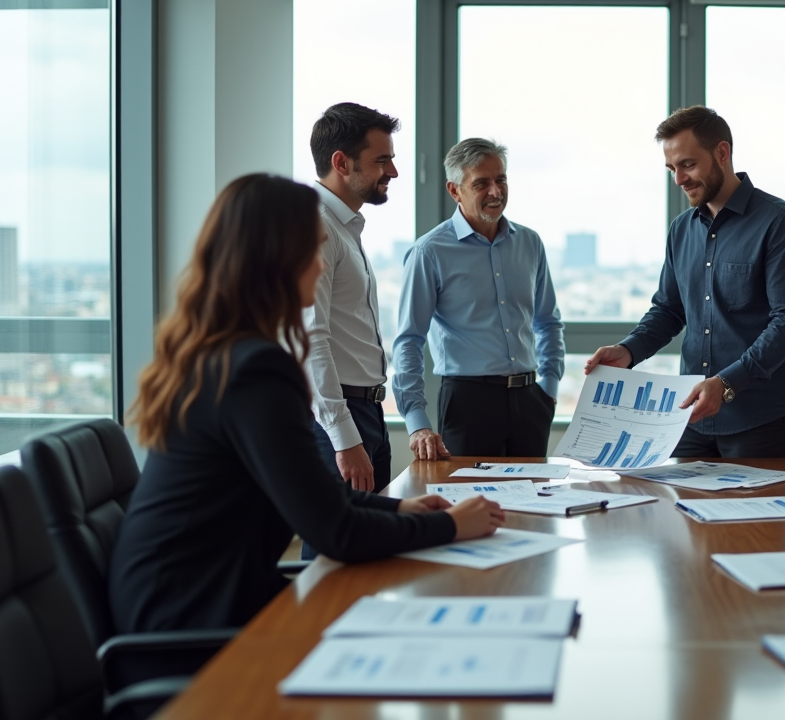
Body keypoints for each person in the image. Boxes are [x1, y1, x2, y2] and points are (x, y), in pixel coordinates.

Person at [110, 174, 503, 632]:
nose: (319, 268)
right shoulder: (255, 371)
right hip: (186, 625)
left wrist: (402, 509)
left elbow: (316, 494)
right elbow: (334, 530)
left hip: (187, 598)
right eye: (311, 252)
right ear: (277, 259)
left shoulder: (222, 354)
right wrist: (452, 527)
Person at [586, 107, 785, 458]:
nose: (678, 179)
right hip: (690, 420)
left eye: (688, 165)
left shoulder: (779, 223)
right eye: (672, 169)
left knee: (756, 516)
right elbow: (668, 310)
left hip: (760, 422)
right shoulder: (681, 229)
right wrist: (629, 350)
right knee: (683, 513)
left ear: (722, 153)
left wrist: (726, 384)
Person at [394, 138, 564, 459]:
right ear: (455, 190)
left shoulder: (529, 243)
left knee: (533, 502)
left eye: (501, 180)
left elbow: (548, 322)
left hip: (531, 401)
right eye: (482, 183)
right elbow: (409, 340)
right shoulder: (429, 252)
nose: (496, 192)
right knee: (470, 503)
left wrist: (549, 388)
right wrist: (416, 422)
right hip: (467, 403)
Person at [302, 103, 399, 559]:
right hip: (341, 416)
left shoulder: (344, 227)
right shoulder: (316, 227)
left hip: (366, 410)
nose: (394, 171)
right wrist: (345, 439)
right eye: (382, 160)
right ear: (342, 163)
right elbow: (311, 339)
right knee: (333, 555)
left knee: (367, 550)